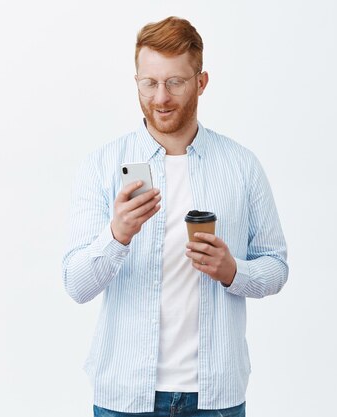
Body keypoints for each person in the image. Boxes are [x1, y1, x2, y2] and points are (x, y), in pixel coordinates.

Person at [62, 16, 288, 417]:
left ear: (201, 82)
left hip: (215, 395)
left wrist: (233, 271)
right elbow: (77, 285)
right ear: (136, 81)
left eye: (175, 82)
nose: (161, 97)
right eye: (149, 83)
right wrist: (117, 236)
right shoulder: (102, 166)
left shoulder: (241, 166)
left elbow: (276, 267)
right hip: (125, 395)